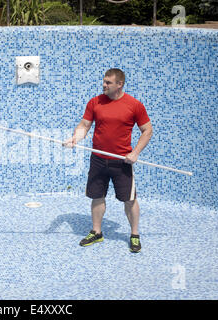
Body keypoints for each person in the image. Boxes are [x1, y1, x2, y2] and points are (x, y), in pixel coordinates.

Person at [63, 68, 153, 253]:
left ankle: (134, 234)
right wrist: (75, 138)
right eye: (104, 81)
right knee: (97, 196)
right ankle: (96, 232)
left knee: (129, 199)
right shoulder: (95, 102)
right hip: (98, 159)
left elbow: (147, 130)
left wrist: (135, 153)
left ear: (119, 84)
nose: (104, 85)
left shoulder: (134, 105)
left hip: (122, 162)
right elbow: (84, 125)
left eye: (108, 82)